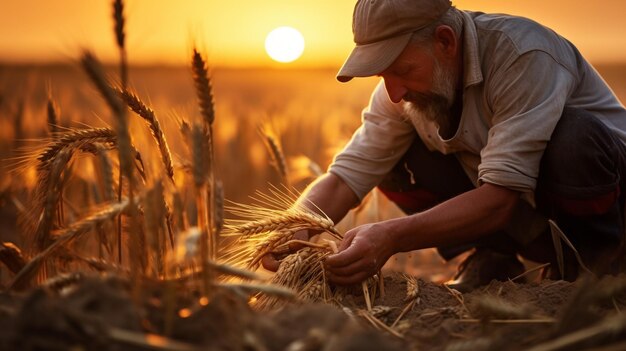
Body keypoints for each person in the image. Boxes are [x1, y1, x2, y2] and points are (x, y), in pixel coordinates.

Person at [263, 0, 626, 291]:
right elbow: (344, 179)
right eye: (382, 75)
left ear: (445, 41)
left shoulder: (522, 54)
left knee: (573, 138)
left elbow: (499, 199)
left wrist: (390, 237)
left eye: (403, 70)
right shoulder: (399, 93)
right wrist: (296, 225)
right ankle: (493, 256)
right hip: (538, 218)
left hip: (609, 203)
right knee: (394, 166)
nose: (394, 92)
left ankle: (604, 265)